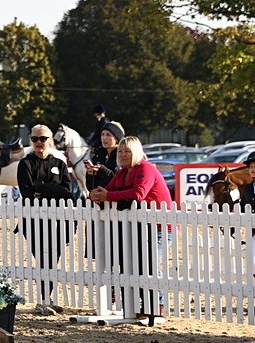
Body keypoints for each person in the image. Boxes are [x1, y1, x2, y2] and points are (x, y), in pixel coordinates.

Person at [89, 136, 173, 318]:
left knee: (149, 265)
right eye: (120, 151)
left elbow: (138, 193)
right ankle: (144, 306)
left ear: (136, 152)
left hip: (158, 226)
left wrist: (107, 196)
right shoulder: (122, 172)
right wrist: (95, 194)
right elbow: (108, 189)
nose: (123, 154)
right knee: (136, 266)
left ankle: (158, 306)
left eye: (127, 151)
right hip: (139, 227)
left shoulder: (146, 168)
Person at [17, 124, 75, 313]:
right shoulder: (25, 164)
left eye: (42, 139)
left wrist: (43, 188)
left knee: (53, 259)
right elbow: (27, 193)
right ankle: (43, 299)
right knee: (42, 259)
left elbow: (67, 192)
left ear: (49, 140)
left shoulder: (59, 164)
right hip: (33, 221)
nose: (39, 143)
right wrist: (51, 189)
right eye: (35, 139)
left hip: (57, 221)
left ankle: (47, 298)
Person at [84, 121, 124, 190]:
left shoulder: (123, 156)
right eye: (102, 134)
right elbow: (90, 187)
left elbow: (119, 181)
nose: (104, 138)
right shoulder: (97, 156)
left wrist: (102, 170)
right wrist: (91, 174)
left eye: (108, 135)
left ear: (116, 139)